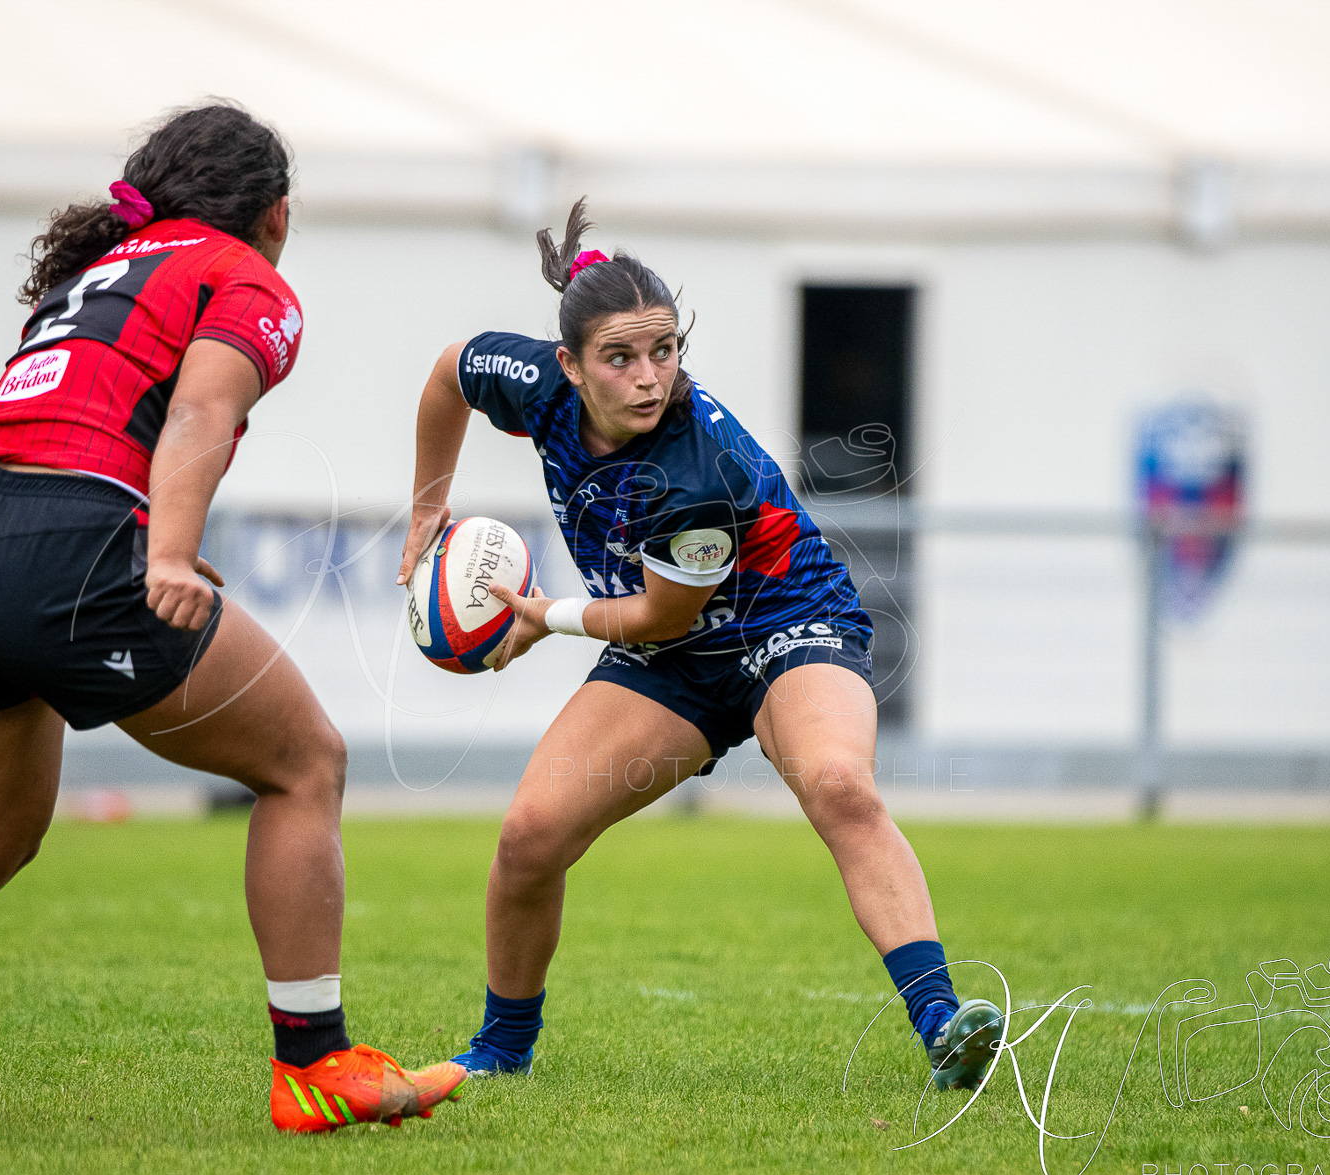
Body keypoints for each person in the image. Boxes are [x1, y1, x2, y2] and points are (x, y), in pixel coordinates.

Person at [0, 102, 464, 1135]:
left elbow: (80, 421)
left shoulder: (100, 270)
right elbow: (204, 408)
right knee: (307, 763)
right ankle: (314, 1065)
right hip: (65, 547)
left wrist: (143, 529)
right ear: (278, 213)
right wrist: (160, 553)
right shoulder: (246, 274)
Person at [396, 199, 1001, 1090]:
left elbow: (656, 619)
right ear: (568, 365)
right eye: (621, 357)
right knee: (529, 837)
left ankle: (944, 1024)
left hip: (787, 619)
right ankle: (502, 1052)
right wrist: (424, 510)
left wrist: (542, 616)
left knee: (838, 785)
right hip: (670, 656)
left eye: (665, 350)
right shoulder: (531, 384)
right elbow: (449, 372)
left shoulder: (693, 466)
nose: (650, 377)